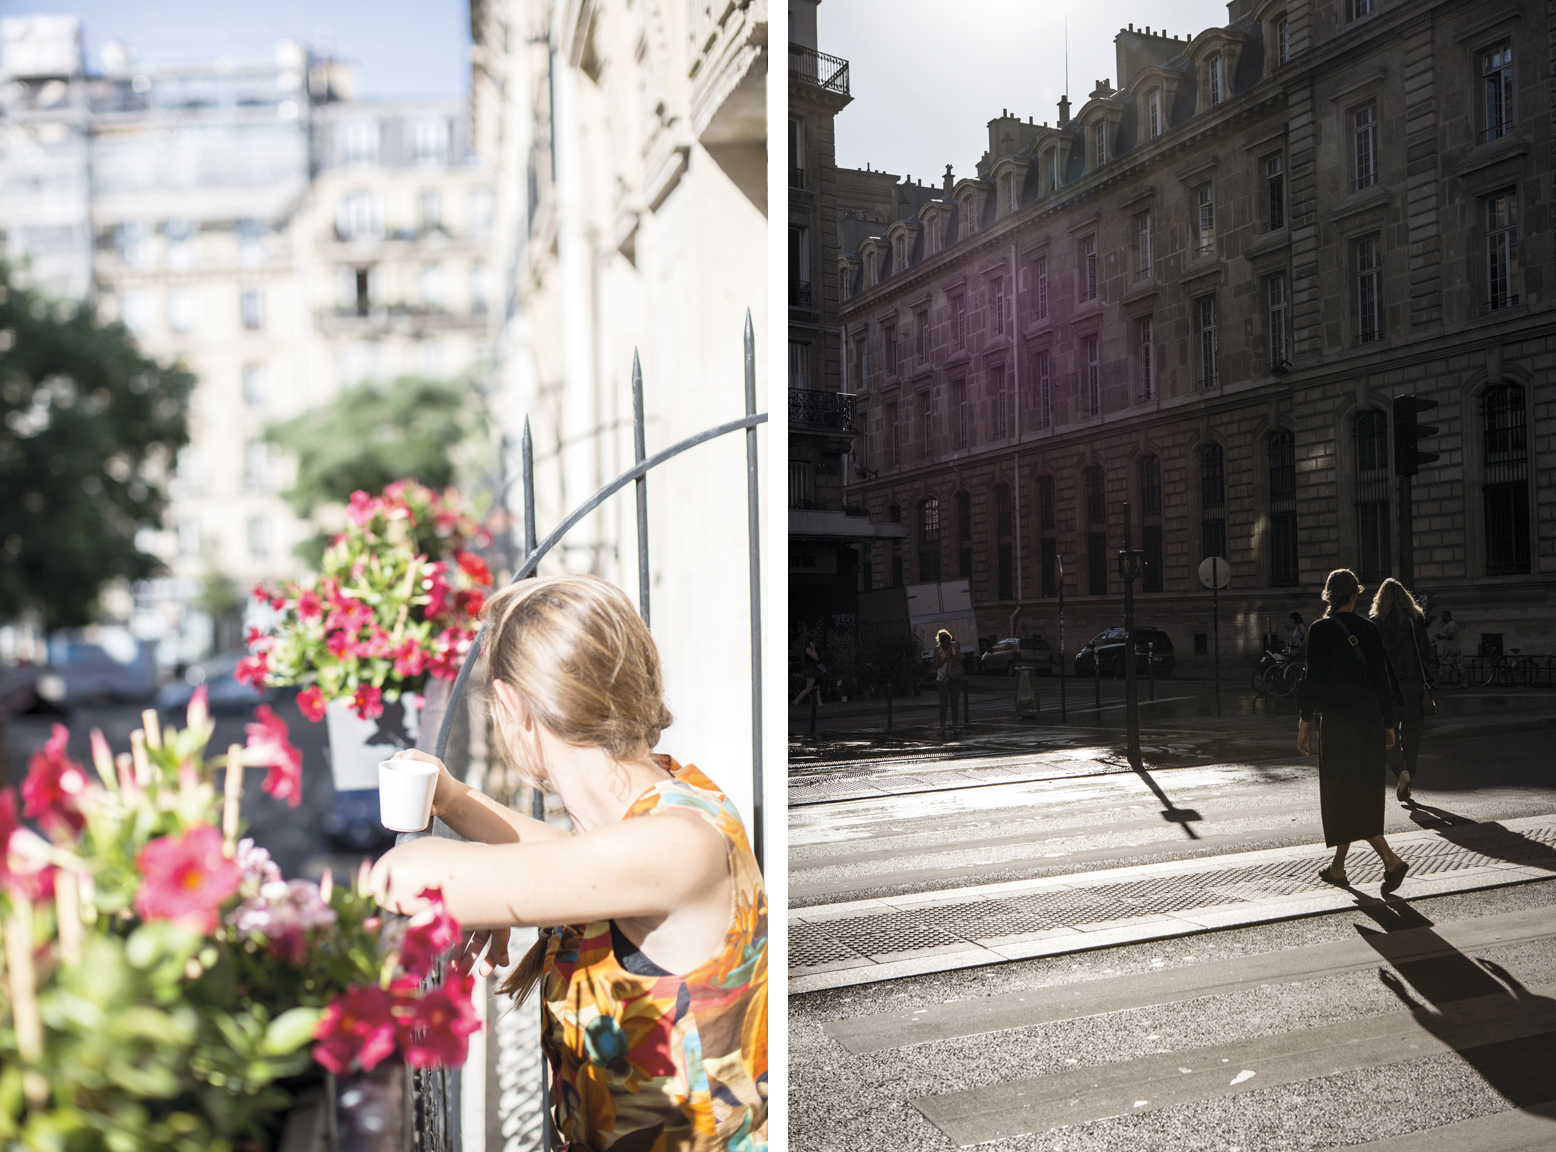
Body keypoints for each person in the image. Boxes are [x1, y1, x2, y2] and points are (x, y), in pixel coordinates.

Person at [368, 574, 767, 1151]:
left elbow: (404, 876)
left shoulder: (675, 846)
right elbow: (572, 861)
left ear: (512, 706)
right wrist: (456, 801)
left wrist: (487, 884)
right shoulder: (671, 801)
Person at [1296, 568, 1410, 895]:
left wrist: (1304, 723)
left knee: (1344, 795)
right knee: (1361, 790)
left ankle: (1390, 860)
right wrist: (1389, 726)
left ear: (1328, 595)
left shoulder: (1319, 630)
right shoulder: (1370, 629)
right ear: (1355, 595)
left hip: (1337, 724)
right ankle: (1338, 868)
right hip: (1371, 720)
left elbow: (1312, 681)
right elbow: (1382, 682)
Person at [1371, 577, 1433, 803]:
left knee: (1386, 735)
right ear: (1405, 598)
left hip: (1389, 687)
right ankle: (1409, 781)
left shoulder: (1376, 622)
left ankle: (1401, 773)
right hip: (1415, 685)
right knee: (1412, 736)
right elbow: (1425, 652)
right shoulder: (1415, 619)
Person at [933, 629, 964, 738]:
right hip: (942, 679)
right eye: (945, 643)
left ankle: (955, 726)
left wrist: (953, 655)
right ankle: (942, 727)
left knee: (954, 703)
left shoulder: (954, 646)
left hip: (954, 678)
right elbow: (935, 665)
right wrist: (946, 658)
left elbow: (961, 658)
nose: (947, 645)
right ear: (941, 643)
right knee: (943, 704)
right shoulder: (937, 649)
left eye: (948, 642)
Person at [1434, 609, 1462, 687]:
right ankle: (1464, 683)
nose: (1442, 619)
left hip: (1450, 649)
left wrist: (1442, 636)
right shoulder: (1452, 624)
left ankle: (1437, 683)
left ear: (1447, 616)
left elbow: (1451, 636)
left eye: (1443, 617)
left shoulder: (1451, 625)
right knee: (1458, 667)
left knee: (1444, 666)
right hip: (1455, 648)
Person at [792, 639, 824, 708]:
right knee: (809, 688)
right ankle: (796, 701)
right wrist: (813, 649)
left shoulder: (809, 649)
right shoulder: (808, 649)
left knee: (817, 686)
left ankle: (820, 703)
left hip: (812, 670)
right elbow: (815, 657)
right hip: (811, 670)